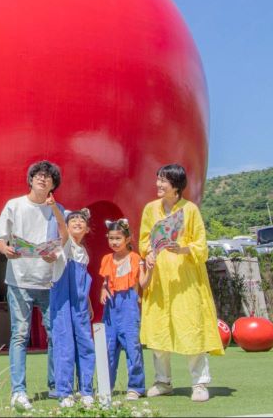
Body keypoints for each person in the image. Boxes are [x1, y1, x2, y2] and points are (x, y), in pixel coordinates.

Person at [139, 164, 223, 403]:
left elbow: (201, 246)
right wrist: (149, 253)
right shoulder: (149, 209)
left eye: (163, 181)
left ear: (176, 185)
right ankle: (162, 381)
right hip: (159, 278)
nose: (158, 185)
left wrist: (183, 248)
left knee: (191, 327)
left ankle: (199, 383)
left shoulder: (190, 210)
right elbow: (144, 240)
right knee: (158, 331)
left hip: (186, 278)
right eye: (157, 180)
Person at [0, 161, 65, 412]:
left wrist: (54, 254)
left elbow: (65, 242)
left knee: (55, 334)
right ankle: (18, 391)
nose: (43, 180)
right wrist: (6, 250)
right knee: (20, 334)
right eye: (38, 176)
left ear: (54, 185)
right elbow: (0, 238)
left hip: (49, 280)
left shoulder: (58, 209)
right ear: (30, 179)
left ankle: (57, 386)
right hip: (19, 279)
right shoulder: (15, 205)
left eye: (48, 178)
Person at [49, 207, 96, 408]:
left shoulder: (84, 253)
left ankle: (86, 389)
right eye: (73, 220)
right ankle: (65, 391)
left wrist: (89, 303)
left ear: (87, 229)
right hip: (62, 304)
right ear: (67, 227)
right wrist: (53, 207)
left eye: (81, 221)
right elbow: (61, 226)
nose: (78, 222)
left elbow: (84, 281)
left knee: (86, 344)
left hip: (80, 305)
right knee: (64, 345)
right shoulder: (65, 246)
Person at [99, 218, 150, 401]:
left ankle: (136, 387)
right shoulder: (107, 259)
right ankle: (106, 386)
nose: (114, 242)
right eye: (111, 238)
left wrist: (150, 269)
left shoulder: (136, 258)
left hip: (129, 306)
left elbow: (143, 282)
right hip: (111, 308)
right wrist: (103, 290)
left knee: (132, 347)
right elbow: (105, 283)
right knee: (109, 348)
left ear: (127, 239)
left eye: (118, 238)